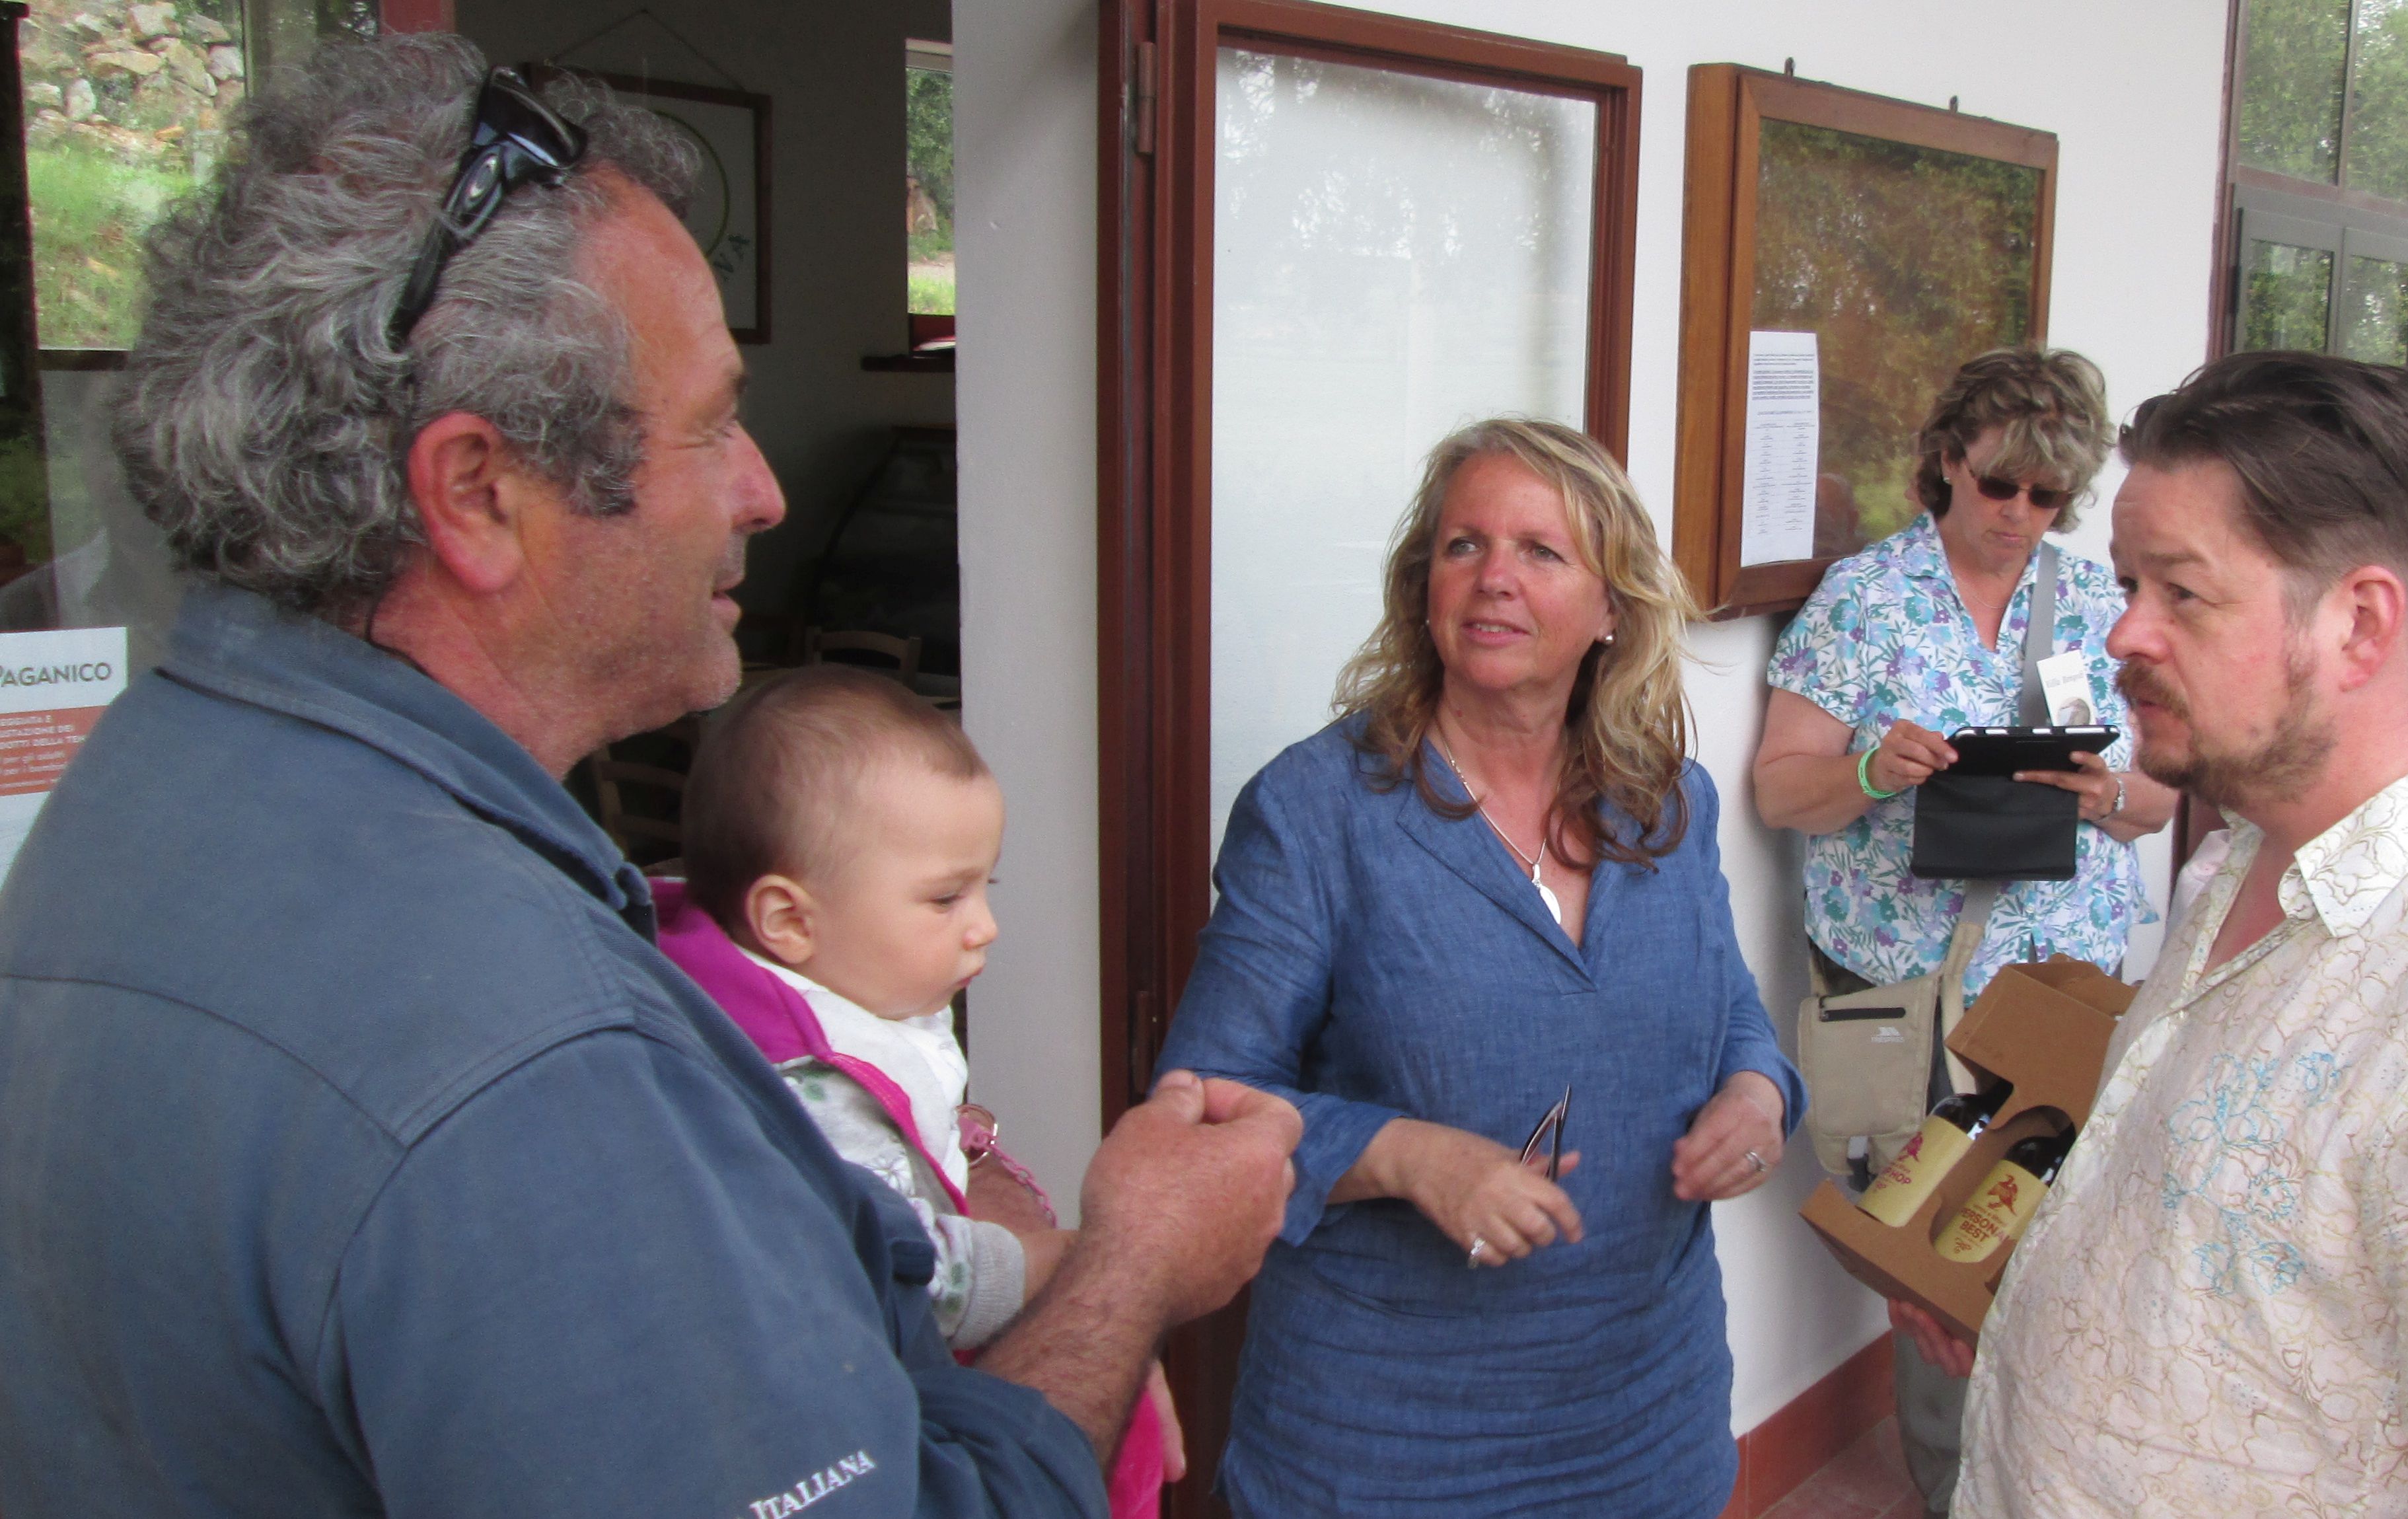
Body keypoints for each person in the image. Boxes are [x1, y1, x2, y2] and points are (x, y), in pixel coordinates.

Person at [0, 38, 1297, 1518]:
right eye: (707, 426)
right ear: (479, 493)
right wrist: (1132, 1273)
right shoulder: (518, 1052)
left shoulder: (146, 796)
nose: (765, 487)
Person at [1901, 351, 2408, 1518]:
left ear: (2359, 620)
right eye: (2123, 584)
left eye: (2179, 591)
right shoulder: (2249, 844)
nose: (2122, 636)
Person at [1155, 418, 1805, 1516]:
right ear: (1423, 587)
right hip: (1388, 1437)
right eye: (1463, 546)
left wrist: (1756, 1089)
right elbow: (1201, 1108)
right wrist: (1407, 1154)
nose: (1493, 578)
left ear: (1610, 609)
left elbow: (1728, 1004)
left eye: (1540, 552)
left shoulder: (1667, 803)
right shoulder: (1315, 814)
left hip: (1645, 1409)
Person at [1751, 346, 2178, 1514]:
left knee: (2050, 1239)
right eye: (1999, 487)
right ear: (1945, 461)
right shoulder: (1867, 598)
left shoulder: (2093, 604)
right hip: (1909, 991)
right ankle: (1951, 1487)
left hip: (2056, 988)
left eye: (2047, 496)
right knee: (1933, 1265)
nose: (2020, 516)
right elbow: (1780, 791)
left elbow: (2156, 803)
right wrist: (1873, 769)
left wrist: (2100, 793)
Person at [651, 665, 1177, 1516]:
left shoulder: (840, 992)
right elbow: (916, 1281)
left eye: (985, 887)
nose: (985, 925)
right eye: (946, 897)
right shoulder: (805, 1089)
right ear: (790, 920)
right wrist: (1058, 1262)